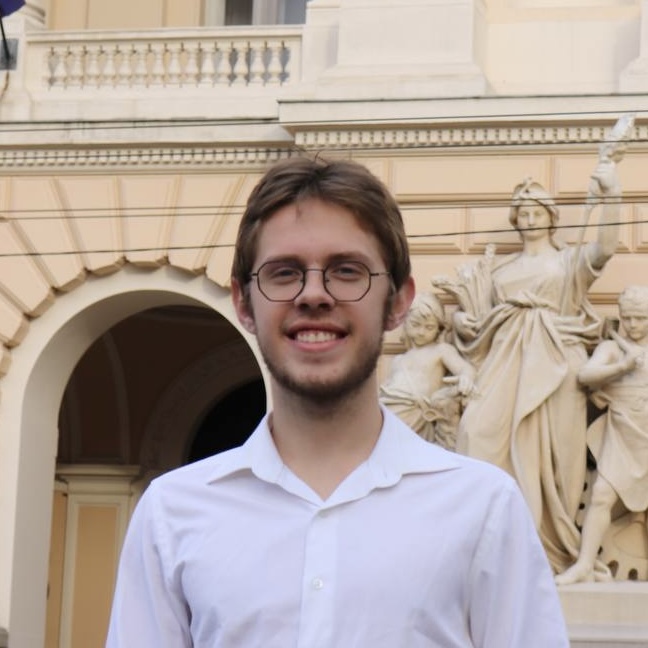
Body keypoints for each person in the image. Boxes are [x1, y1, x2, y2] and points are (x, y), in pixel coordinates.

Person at [105, 157, 569, 647]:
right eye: (284, 273)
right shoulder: (171, 513)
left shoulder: (484, 506)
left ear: (398, 301)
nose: (314, 294)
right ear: (243, 302)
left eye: (347, 271)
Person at [453, 161, 621, 575]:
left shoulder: (569, 262)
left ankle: (554, 550)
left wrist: (612, 195)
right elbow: (481, 322)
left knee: (560, 461)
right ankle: (494, 543)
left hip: (559, 364)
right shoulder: (501, 271)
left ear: (550, 217)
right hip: (504, 364)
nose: (529, 219)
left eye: (536, 212)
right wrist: (461, 320)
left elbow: (606, 248)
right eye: (523, 213)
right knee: (475, 432)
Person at [556, 285, 648, 585]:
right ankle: (584, 564)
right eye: (628, 317)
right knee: (600, 496)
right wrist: (622, 366)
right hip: (622, 433)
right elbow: (585, 375)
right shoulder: (612, 349)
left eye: (641, 318)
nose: (633, 325)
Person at [379, 291, 475, 449]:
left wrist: (466, 378)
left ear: (439, 329)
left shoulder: (441, 350)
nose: (421, 332)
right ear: (405, 322)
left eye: (429, 327)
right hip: (389, 408)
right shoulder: (398, 360)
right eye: (415, 324)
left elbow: (465, 369)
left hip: (417, 414)